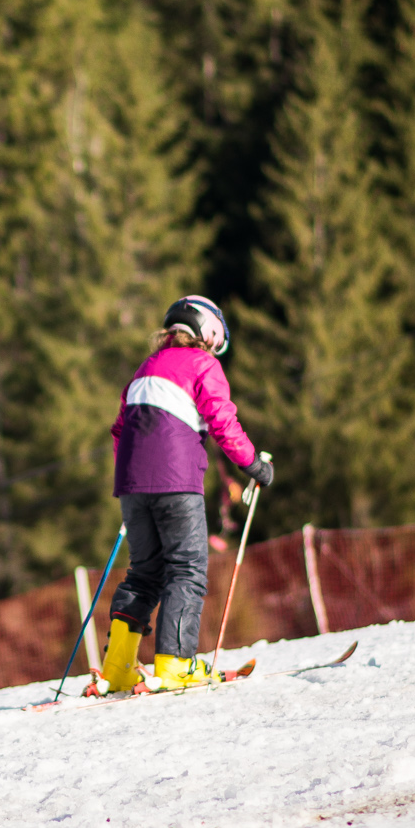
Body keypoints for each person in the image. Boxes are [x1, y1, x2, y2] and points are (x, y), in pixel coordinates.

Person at [91, 296, 274, 694]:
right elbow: (222, 421)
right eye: (217, 340)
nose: (215, 348)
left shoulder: (144, 369)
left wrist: (134, 479)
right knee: (186, 568)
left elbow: (120, 429)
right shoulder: (203, 364)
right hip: (176, 480)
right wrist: (253, 465)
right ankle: (175, 664)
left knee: (144, 573)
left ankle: (118, 669)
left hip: (133, 485)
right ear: (207, 331)